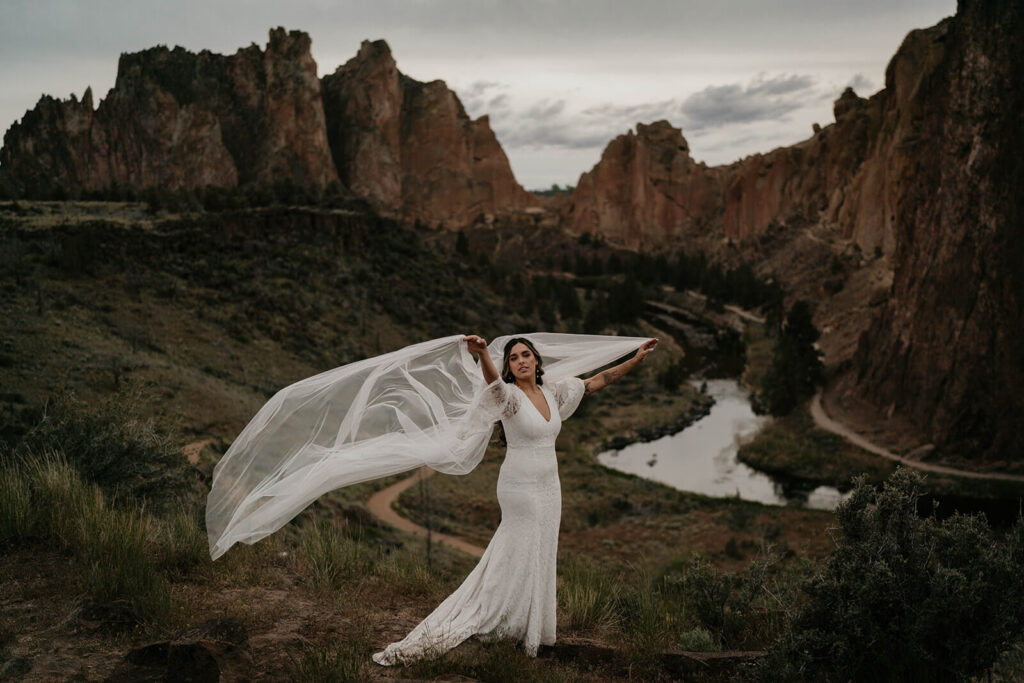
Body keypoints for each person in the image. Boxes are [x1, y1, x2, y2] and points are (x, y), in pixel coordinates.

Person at [371, 333, 658, 665]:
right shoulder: (509, 398)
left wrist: (635, 361)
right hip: (520, 486)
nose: (520, 360)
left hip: (551, 486)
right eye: (513, 358)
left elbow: (596, 382)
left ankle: (527, 625)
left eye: (525, 355)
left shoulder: (553, 392)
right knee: (517, 547)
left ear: (536, 359)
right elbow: (493, 385)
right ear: (509, 367)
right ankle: (497, 616)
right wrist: (482, 355)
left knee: (541, 548)